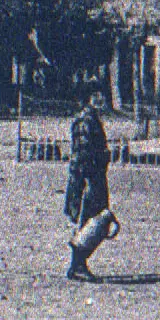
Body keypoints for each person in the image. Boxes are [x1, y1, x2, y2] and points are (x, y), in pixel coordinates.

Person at [63, 91, 112, 280]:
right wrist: (88, 181)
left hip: (94, 177)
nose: (101, 98)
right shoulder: (85, 120)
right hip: (87, 179)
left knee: (94, 223)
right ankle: (77, 265)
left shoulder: (91, 118)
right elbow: (83, 154)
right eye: (96, 95)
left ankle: (78, 265)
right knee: (88, 223)